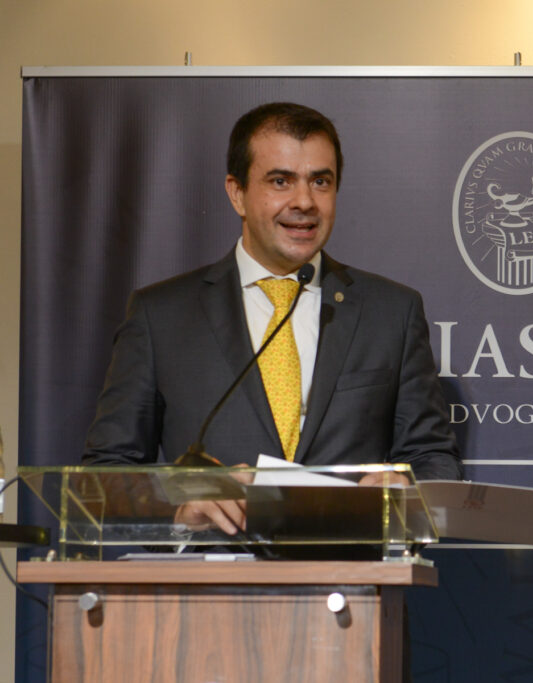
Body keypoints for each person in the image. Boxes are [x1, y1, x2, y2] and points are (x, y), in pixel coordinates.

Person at [82, 102, 462, 533]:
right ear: (237, 193)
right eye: (280, 181)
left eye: (321, 181)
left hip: (352, 569)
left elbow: (435, 459)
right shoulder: (161, 316)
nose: (304, 202)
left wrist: (406, 487)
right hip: (208, 570)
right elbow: (105, 472)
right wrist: (179, 508)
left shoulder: (391, 312)